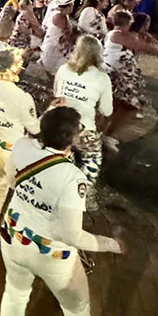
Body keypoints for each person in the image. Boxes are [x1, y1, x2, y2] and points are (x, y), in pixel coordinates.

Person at [0, 107, 123, 316]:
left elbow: (12, 181)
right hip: (52, 256)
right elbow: (72, 235)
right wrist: (109, 243)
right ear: (70, 139)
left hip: (13, 237)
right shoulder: (71, 177)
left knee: (14, 295)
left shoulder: (23, 146)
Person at [0, 49, 40, 247]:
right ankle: (19, 235)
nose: (21, 66)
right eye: (19, 63)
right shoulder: (22, 97)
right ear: (12, 68)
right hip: (10, 152)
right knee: (23, 192)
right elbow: (35, 128)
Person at [54, 36, 113, 201]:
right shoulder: (102, 78)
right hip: (83, 129)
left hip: (59, 125)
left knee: (60, 155)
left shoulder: (63, 70)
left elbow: (56, 94)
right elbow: (107, 111)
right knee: (92, 158)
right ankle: (83, 196)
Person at [102, 11, 158, 151]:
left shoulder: (115, 34)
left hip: (117, 75)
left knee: (116, 106)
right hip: (116, 76)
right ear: (127, 23)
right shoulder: (120, 35)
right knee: (129, 108)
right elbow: (153, 49)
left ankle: (105, 134)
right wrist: (149, 38)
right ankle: (107, 136)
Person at [40, 0, 76, 76]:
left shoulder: (57, 13)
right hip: (53, 55)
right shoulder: (60, 17)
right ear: (70, 5)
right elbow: (68, 37)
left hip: (51, 51)